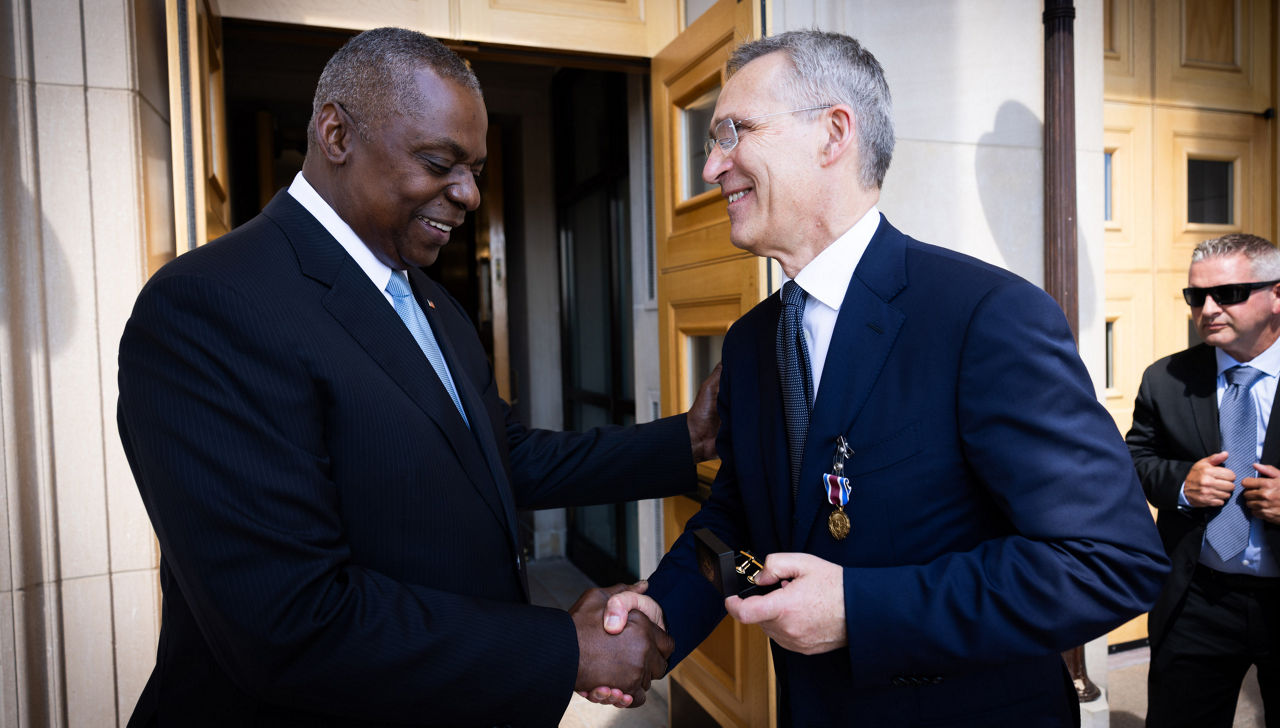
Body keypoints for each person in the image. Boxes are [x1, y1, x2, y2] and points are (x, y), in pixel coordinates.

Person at [117, 27, 717, 727]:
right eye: (440, 162)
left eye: (477, 169)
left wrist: (689, 439)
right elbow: (289, 622)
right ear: (336, 133)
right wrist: (565, 647)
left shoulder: (430, 300)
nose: (466, 194)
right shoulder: (209, 305)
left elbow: (503, 457)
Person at [600, 29, 1168, 726]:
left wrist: (858, 610)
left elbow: (1108, 563)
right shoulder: (751, 340)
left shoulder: (984, 315)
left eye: (733, 132)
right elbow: (741, 517)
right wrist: (663, 610)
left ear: (833, 132)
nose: (713, 166)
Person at [1126, 233, 1280, 728]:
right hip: (1199, 598)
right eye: (1197, 296)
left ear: (1276, 294)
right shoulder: (1166, 379)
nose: (1208, 309)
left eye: (1228, 294)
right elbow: (1134, 461)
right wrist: (1180, 484)